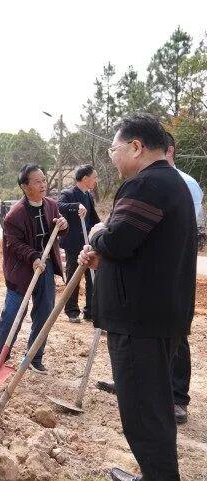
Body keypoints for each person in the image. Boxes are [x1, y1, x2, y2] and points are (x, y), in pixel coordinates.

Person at [79, 113, 196, 481]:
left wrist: (98, 232)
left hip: (139, 322)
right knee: (154, 408)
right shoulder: (172, 183)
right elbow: (137, 248)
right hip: (159, 315)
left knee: (144, 415)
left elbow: (117, 239)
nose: (111, 157)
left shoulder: (147, 185)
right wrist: (105, 253)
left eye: (114, 149)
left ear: (136, 147)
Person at [0, 164, 68, 373]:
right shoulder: (14, 215)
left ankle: (34, 357)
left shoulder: (51, 205)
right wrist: (33, 257)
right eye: (38, 181)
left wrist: (63, 225)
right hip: (21, 270)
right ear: (25, 186)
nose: (43, 185)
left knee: (44, 312)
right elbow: (15, 244)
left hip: (46, 267)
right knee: (13, 313)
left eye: (44, 180)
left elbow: (58, 232)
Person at [165, 132, 201, 425]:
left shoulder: (186, 184)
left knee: (176, 332)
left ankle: (178, 397)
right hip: (146, 273)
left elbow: (187, 230)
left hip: (173, 270)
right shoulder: (139, 182)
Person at [58, 165, 100, 323]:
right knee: (74, 278)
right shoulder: (68, 194)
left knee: (91, 277)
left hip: (88, 243)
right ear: (84, 179)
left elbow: (93, 218)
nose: (96, 181)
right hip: (73, 244)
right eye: (94, 177)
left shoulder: (88, 195)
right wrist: (76, 206)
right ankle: (72, 311)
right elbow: (59, 206)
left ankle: (90, 311)